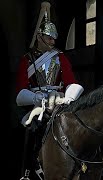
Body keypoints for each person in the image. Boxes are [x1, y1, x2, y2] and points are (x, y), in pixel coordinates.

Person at [16, 3, 83, 179]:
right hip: (36, 103)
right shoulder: (27, 60)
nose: (53, 41)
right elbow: (21, 91)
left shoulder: (60, 57)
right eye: (49, 37)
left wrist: (69, 98)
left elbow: (70, 82)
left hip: (58, 101)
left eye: (54, 38)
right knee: (29, 129)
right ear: (39, 36)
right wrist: (36, 98)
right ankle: (26, 171)